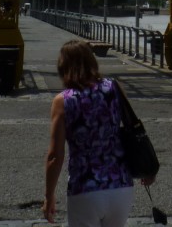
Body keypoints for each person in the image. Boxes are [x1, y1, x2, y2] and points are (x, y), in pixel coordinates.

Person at [43, 40, 154, 226]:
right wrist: (147, 167)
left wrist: (49, 195)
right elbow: (133, 128)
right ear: (92, 61)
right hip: (120, 186)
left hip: (85, 187)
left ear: (64, 67)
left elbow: (55, 155)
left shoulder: (63, 101)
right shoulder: (113, 88)